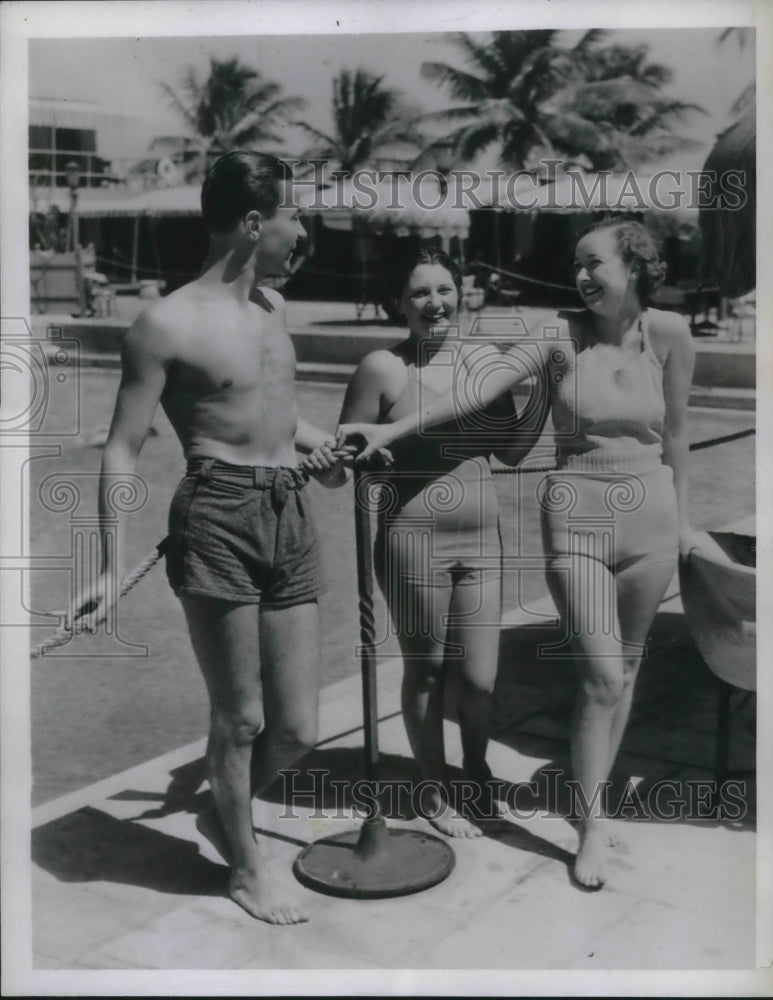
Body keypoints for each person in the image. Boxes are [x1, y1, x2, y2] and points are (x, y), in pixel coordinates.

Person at [338, 218, 701, 886]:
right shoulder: (554, 333)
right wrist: (392, 425)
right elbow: (474, 390)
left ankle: (593, 802)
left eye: (593, 264)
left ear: (634, 266)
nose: (582, 276)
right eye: (575, 266)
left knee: (624, 672)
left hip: (651, 512)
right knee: (598, 674)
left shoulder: (671, 334)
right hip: (575, 510)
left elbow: (676, 434)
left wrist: (684, 524)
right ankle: (589, 827)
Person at [67, 151, 343, 924]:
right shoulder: (165, 322)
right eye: (295, 217)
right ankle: (248, 869)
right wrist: (106, 562)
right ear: (256, 223)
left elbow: (280, 421)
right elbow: (125, 446)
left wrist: (320, 451)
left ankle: (228, 810)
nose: (302, 234)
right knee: (242, 718)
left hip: (288, 508)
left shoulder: (273, 310)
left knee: (297, 727)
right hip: (217, 512)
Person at [317, 246, 524, 836]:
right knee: (428, 669)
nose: (435, 303)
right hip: (413, 540)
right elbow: (340, 467)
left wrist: (543, 390)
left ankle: (476, 768)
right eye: (419, 294)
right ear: (397, 305)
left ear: (463, 294)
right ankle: (433, 787)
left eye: (444, 290)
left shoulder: (487, 362)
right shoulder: (383, 368)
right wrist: (336, 461)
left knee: (481, 680)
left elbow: (510, 450)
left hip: (484, 539)